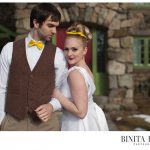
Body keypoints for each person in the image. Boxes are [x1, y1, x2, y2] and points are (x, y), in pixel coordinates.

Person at [0, 3, 67, 131]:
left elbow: (64, 91)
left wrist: (51, 106)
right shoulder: (9, 49)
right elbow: (1, 87)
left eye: (56, 27)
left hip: (46, 125)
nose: (54, 31)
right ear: (36, 23)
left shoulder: (58, 54)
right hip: (12, 124)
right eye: (50, 26)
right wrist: (2, 121)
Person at [52, 23, 109, 131]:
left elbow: (81, 112)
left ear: (85, 50)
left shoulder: (75, 73)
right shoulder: (86, 69)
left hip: (78, 125)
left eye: (74, 49)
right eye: (66, 49)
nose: (69, 54)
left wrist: (55, 93)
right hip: (89, 120)